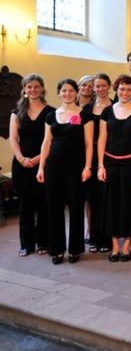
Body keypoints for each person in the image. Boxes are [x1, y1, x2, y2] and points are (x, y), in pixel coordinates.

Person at [37, 79, 93, 265]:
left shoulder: (84, 115)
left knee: (76, 206)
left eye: (71, 90)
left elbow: (88, 144)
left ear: (76, 93)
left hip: (76, 167)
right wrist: (41, 167)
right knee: (54, 207)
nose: (67, 93)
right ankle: (57, 250)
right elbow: (46, 143)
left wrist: (87, 167)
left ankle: (76, 249)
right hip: (53, 167)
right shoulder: (51, 116)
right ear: (59, 93)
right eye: (64, 90)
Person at [97, 75, 131, 262]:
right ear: (116, 89)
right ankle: (114, 246)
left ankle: (126, 246)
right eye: (121, 88)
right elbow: (102, 140)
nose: (125, 92)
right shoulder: (107, 112)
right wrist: (100, 166)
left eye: (129, 89)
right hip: (110, 165)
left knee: (130, 205)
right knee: (111, 206)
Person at [9, 74, 55, 257]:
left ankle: (43, 242)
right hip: (21, 164)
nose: (33, 90)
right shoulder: (17, 112)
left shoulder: (51, 112)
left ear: (42, 88)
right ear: (24, 90)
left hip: (43, 163)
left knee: (44, 204)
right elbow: (13, 138)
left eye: (36, 86)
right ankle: (26, 244)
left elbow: (51, 140)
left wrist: (38, 160)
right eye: (29, 87)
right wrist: (21, 158)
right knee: (25, 206)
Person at [83, 73, 113, 254]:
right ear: (93, 88)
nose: (100, 89)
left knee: (108, 198)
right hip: (91, 156)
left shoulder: (117, 104)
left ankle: (108, 237)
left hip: (111, 155)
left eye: (103, 85)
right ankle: (94, 237)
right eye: (97, 86)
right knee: (93, 198)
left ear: (109, 86)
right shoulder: (87, 108)